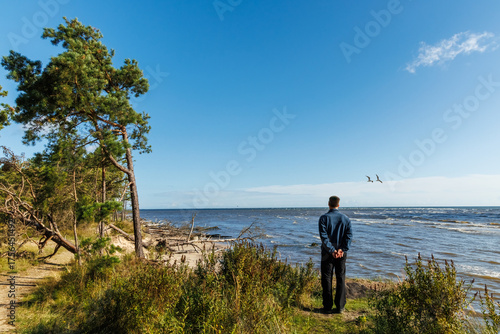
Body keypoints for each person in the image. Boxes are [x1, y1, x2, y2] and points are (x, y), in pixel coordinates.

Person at [318, 195, 353, 314]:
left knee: (327, 278)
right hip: (341, 253)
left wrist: (332, 250)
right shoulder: (346, 219)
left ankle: (327, 306)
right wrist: (342, 249)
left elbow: (324, 237)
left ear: (329, 203)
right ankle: (340, 306)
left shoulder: (323, 218)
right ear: (338, 204)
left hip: (327, 252)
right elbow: (349, 236)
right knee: (340, 277)